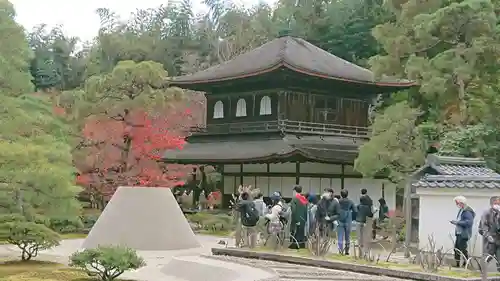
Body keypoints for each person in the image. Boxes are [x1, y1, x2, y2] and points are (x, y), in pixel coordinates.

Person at [450, 195, 475, 268]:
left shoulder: (467, 211)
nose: (456, 204)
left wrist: (457, 222)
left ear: (461, 203)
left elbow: (468, 223)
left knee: (463, 249)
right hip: (459, 232)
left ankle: (466, 263)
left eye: (457, 203)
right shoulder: (461, 210)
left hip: (464, 233)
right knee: (457, 249)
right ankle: (458, 264)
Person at [479, 196, 500, 271]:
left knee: (499, 258)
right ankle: (482, 272)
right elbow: (483, 227)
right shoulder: (486, 213)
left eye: (499, 203)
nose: (498, 205)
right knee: (487, 257)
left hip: (498, 239)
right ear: (491, 204)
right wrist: (488, 236)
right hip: (489, 241)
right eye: (496, 203)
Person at [356, 189, 374, 255]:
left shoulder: (358, 206)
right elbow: (370, 214)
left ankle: (359, 249)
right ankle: (364, 248)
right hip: (364, 222)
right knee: (364, 235)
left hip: (358, 221)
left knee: (359, 236)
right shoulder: (368, 204)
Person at [338, 189, 355, 255]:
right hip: (348, 220)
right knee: (347, 237)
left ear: (341, 194)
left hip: (340, 220)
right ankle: (347, 251)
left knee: (340, 236)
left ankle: (340, 250)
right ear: (347, 194)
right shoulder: (350, 202)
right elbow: (355, 210)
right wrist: (352, 218)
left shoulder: (338, 202)